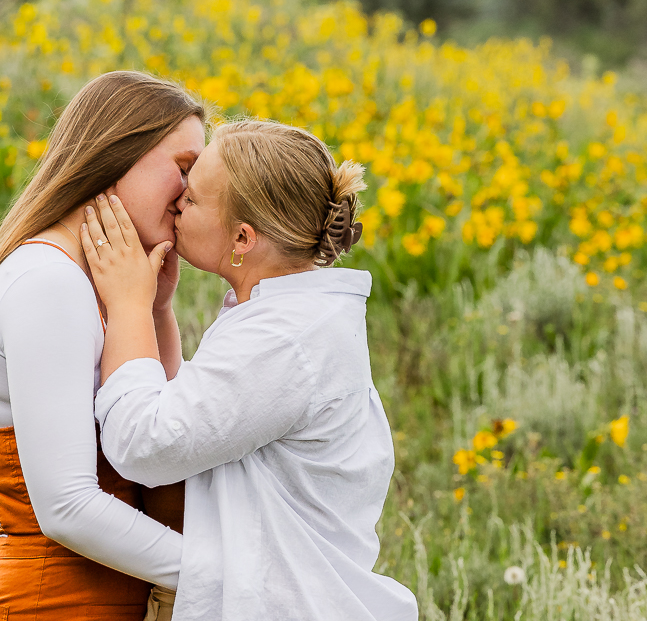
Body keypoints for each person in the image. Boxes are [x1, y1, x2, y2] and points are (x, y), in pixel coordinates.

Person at [82, 117, 418, 621]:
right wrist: (156, 311)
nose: (176, 202)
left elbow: (144, 444)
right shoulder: (289, 318)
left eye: (191, 199)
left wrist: (128, 304)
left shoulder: (283, 338)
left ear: (242, 238)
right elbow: (193, 421)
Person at [0, 70, 205, 620]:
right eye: (184, 169)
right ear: (117, 153)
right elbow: (67, 507)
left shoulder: (91, 284)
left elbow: (164, 445)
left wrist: (154, 310)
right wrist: (225, 577)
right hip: (52, 604)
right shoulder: (48, 281)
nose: (193, 193)